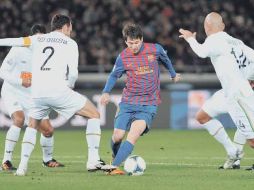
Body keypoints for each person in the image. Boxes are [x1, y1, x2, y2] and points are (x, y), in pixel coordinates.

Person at [0, 14, 106, 176]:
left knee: (33, 126)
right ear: (66, 26)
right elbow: (73, 74)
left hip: (36, 93)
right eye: (70, 27)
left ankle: (22, 167)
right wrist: (69, 86)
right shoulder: (70, 43)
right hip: (55, 90)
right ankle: (93, 160)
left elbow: (14, 41)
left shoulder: (38, 40)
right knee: (94, 114)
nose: (71, 30)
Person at [100, 23, 180, 175]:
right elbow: (113, 75)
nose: (134, 46)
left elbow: (166, 59)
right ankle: (116, 157)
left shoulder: (155, 49)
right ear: (126, 42)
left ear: (142, 39)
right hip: (128, 102)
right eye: (131, 43)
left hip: (148, 105)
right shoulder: (123, 57)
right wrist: (105, 92)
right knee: (117, 136)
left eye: (137, 42)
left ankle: (113, 166)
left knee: (133, 136)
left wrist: (173, 74)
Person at [179, 12, 254, 170]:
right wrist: (251, 78)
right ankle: (233, 152)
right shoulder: (235, 41)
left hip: (238, 94)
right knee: (202, 116)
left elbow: (201, 52)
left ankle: (236, 155)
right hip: (231, 92)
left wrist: (189, 38)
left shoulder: (214, 39)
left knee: (252, 138)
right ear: (223, 26)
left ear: (206, 27)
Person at [0, 24, 63, 170]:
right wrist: (20, 81)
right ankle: (6, 160)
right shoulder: (18, 49)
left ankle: (47, 160)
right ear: (31, 38)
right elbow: (2, 71)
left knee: (48, 130)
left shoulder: (47, 53)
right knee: (19, 119)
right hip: (12, 90)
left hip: (32, 95)